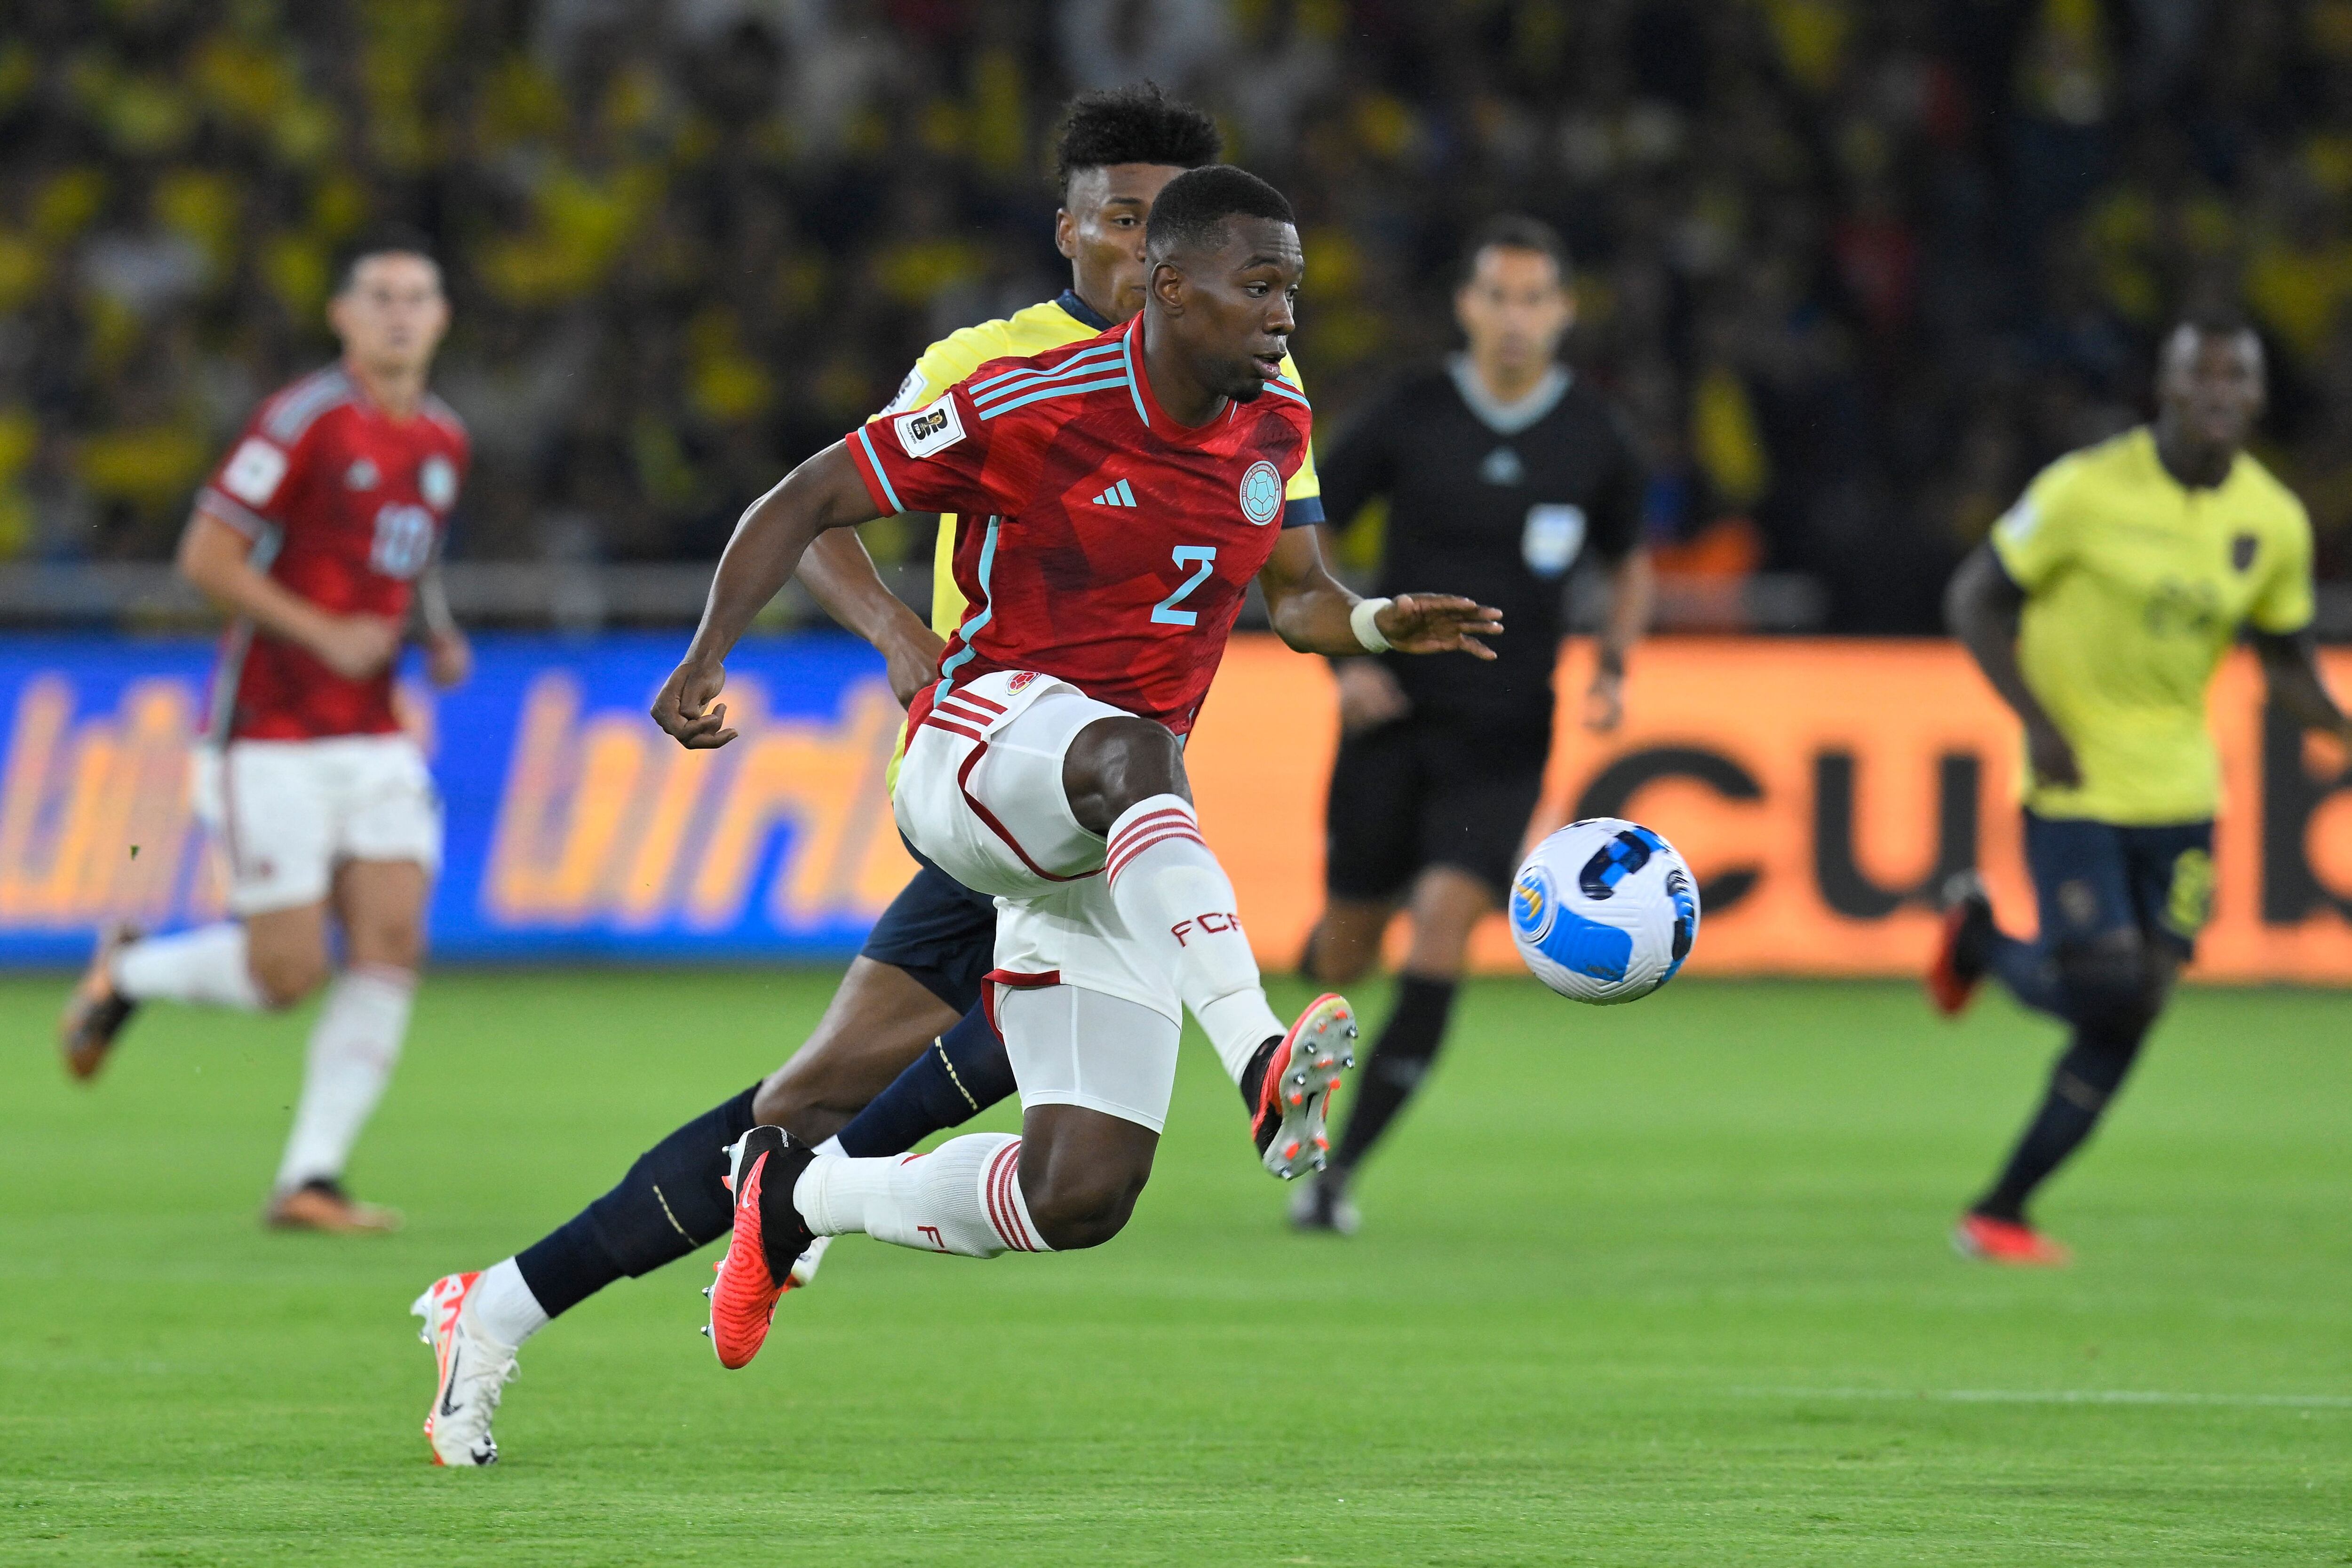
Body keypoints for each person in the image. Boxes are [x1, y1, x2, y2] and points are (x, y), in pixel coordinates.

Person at [409, 88, 1331, 1467]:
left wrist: (1368, 633)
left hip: (1113, 805)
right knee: (836, 1090)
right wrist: (902, 633)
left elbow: (1293, 577)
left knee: (875, 1109)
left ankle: (707, 1236)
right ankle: (601, 1272)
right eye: (1123, 220)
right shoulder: (994, 361)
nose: (1144, 250)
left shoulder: (1258, 384)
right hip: (1012, 767)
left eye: (1168, 225)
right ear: (1073, 229)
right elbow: (832, 506)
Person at [662, 164, 1502, 1375]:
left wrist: (1373, 624)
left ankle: (797, 1202)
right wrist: (706, 658)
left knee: (1081, 1190)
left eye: (1295, 291)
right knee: (1133, 746)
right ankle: (1262, 1051)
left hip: (1104, 828)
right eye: (1259, 287)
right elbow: (802, 498)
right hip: (973, 752)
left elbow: (1303, 596)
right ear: (1167, 287)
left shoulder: (1277, 422)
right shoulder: (1029, 402)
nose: (1284, 316)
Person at [57, 233, 471, 1234]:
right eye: (378, 295)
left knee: (392, 940)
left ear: (442, 316)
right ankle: (130, 970)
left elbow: (403, 557)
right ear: (342, 316)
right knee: (286, 975)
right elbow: (205, 555)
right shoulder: (302, 422)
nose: (399, 312)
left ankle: (310, 1178)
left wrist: (435, 628)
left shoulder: (443, 440)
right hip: (269, 730)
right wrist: (322, 631)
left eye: (418, 295)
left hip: (373, 731)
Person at [1931, 315, 2349, 1266]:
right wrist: (2036, 721)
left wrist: (2337, 726)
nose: (2215, 394)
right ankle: (1987, 942)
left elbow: (2281, 657)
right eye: (2196, 376)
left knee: (2137, 1007)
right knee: (2111, 980)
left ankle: (1999, 1208)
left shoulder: (2270, 519)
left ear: (2254, 395)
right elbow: (1974, 596)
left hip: (2183, 791)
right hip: (2075, 782)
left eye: (2233, 378)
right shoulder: (2083, 489)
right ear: (2162, 388)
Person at [1289, 216, 1652, 1234]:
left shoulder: (1595, 434)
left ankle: (1337, 1173)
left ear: (1564, 313)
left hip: (1502, 733)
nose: (1515, 318)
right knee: (1347, 949)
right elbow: (1298, 529)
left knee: (1445, 923)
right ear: (1467, 305)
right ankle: (1303, 1033)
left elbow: (1628, 559)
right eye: (1498, 296)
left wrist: (1615, 657)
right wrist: (1346, 661)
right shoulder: (1412, 413)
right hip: (1392, 715)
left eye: (1535, 299)